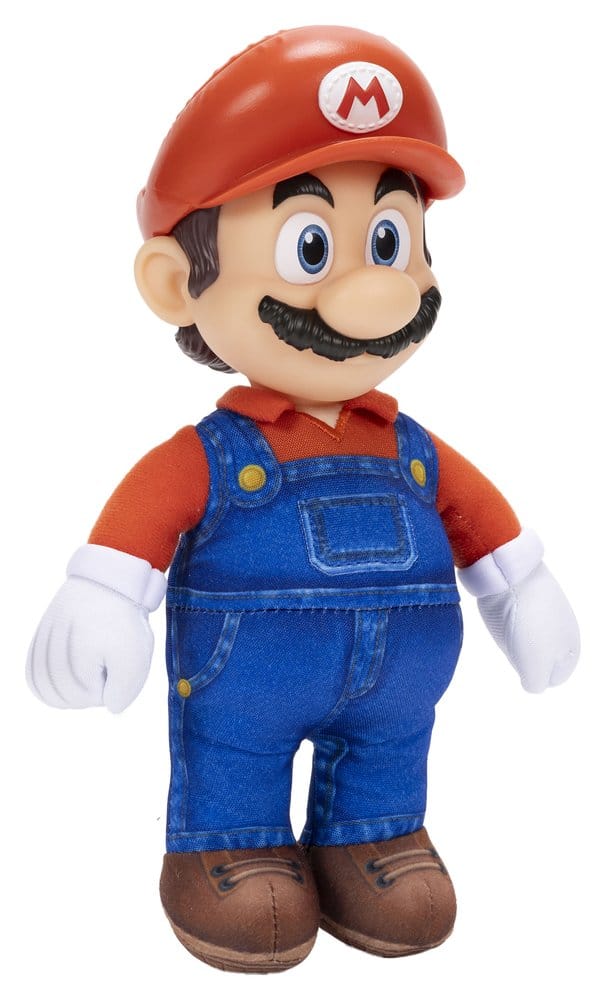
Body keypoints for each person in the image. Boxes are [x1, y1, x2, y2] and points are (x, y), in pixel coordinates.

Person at [26, 25, 580, 973]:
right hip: (248, 685)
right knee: (233, 755)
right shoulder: (212, 456)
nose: (377, 290)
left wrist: (522, 587)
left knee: (390, 754)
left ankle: (376, 834)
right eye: (312, 247)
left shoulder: (413, 448)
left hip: (400, 691)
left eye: (392, 241)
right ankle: (228, 845)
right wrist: (104, 595)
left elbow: (482, 522)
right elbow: (142, 521)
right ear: (175, 283)